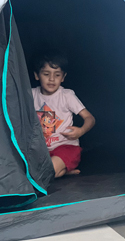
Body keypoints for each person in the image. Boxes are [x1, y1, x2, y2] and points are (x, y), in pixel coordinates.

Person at [32, 50, 95, 178]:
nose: (51, 79)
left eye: (57, 75)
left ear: (63, 77)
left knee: (45, 173)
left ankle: (59, 169)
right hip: (42, 151)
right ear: (37, 75)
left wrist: (81, 131)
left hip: (66, 148)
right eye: (46, 74)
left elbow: (90, 118)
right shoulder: (31, 94)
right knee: (32, 171)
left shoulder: (66, 95)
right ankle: (62, 171)